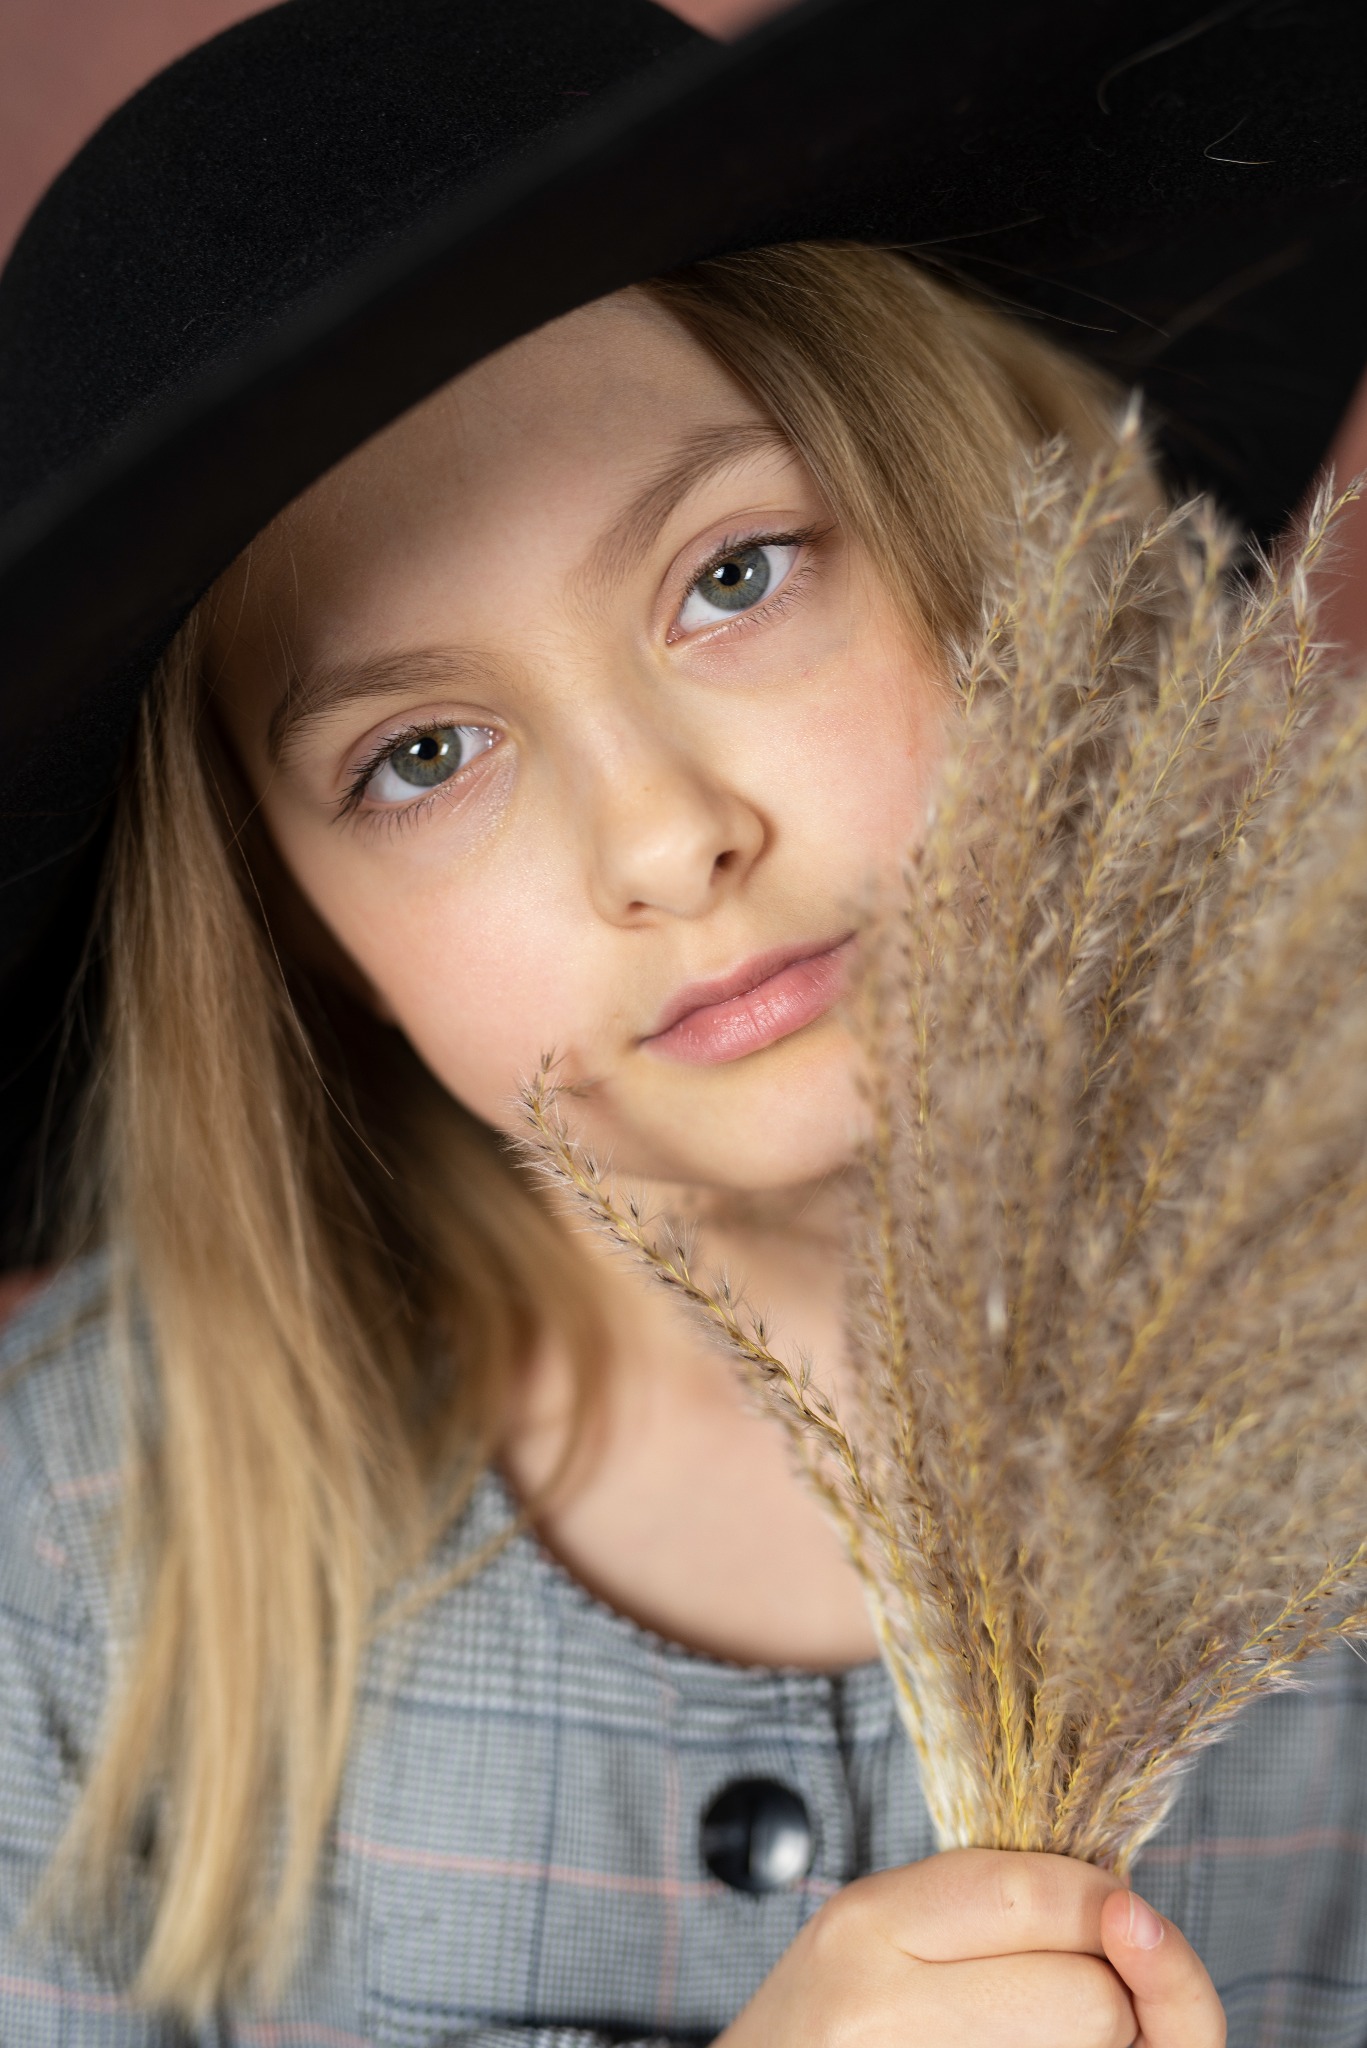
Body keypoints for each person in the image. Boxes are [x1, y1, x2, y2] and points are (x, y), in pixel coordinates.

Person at [0, 4, 1364, 2045]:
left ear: (974, 539)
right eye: (422, 752)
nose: (664, 835)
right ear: (293, 929)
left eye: (735, 573)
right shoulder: (95, 1547)